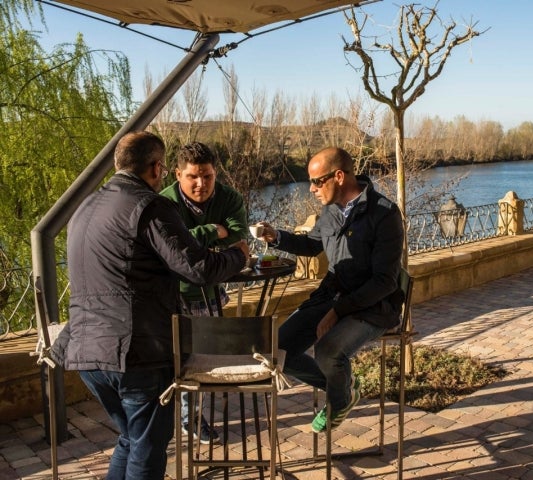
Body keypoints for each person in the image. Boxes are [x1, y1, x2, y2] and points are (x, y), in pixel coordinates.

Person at [50, 131, 249, 480]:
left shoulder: (85, 207)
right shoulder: (150, 206)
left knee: (130, 439)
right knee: (147, 446)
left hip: (85, 353)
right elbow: (197, 267)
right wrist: (237, 256)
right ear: (159, 168)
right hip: (135, 354)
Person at [256, 147, 404, 432]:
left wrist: (338, 311)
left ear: (338, 176)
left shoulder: (384, 213)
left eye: (316, 181)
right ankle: (344, 387)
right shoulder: (330, 211)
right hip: (331, 296)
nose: (311, 188)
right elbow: (311, 245)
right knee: (276, 351)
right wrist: (276, 237)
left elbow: (385, 281)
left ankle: (337, 400)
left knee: (327, 351)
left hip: (373, 306)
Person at [160, 141, 249, 443]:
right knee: (179, 360)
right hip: (173, 292)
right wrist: (212, 230)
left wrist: (192, 239)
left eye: (208, 176)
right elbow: (172, 249)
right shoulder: (164, 202)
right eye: (193, 177)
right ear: (177, 174)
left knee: (203, 358)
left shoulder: (229, 197)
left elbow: (238, 233)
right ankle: (180, 418)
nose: (201, 184)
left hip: (211, 291)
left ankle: (192, 418)